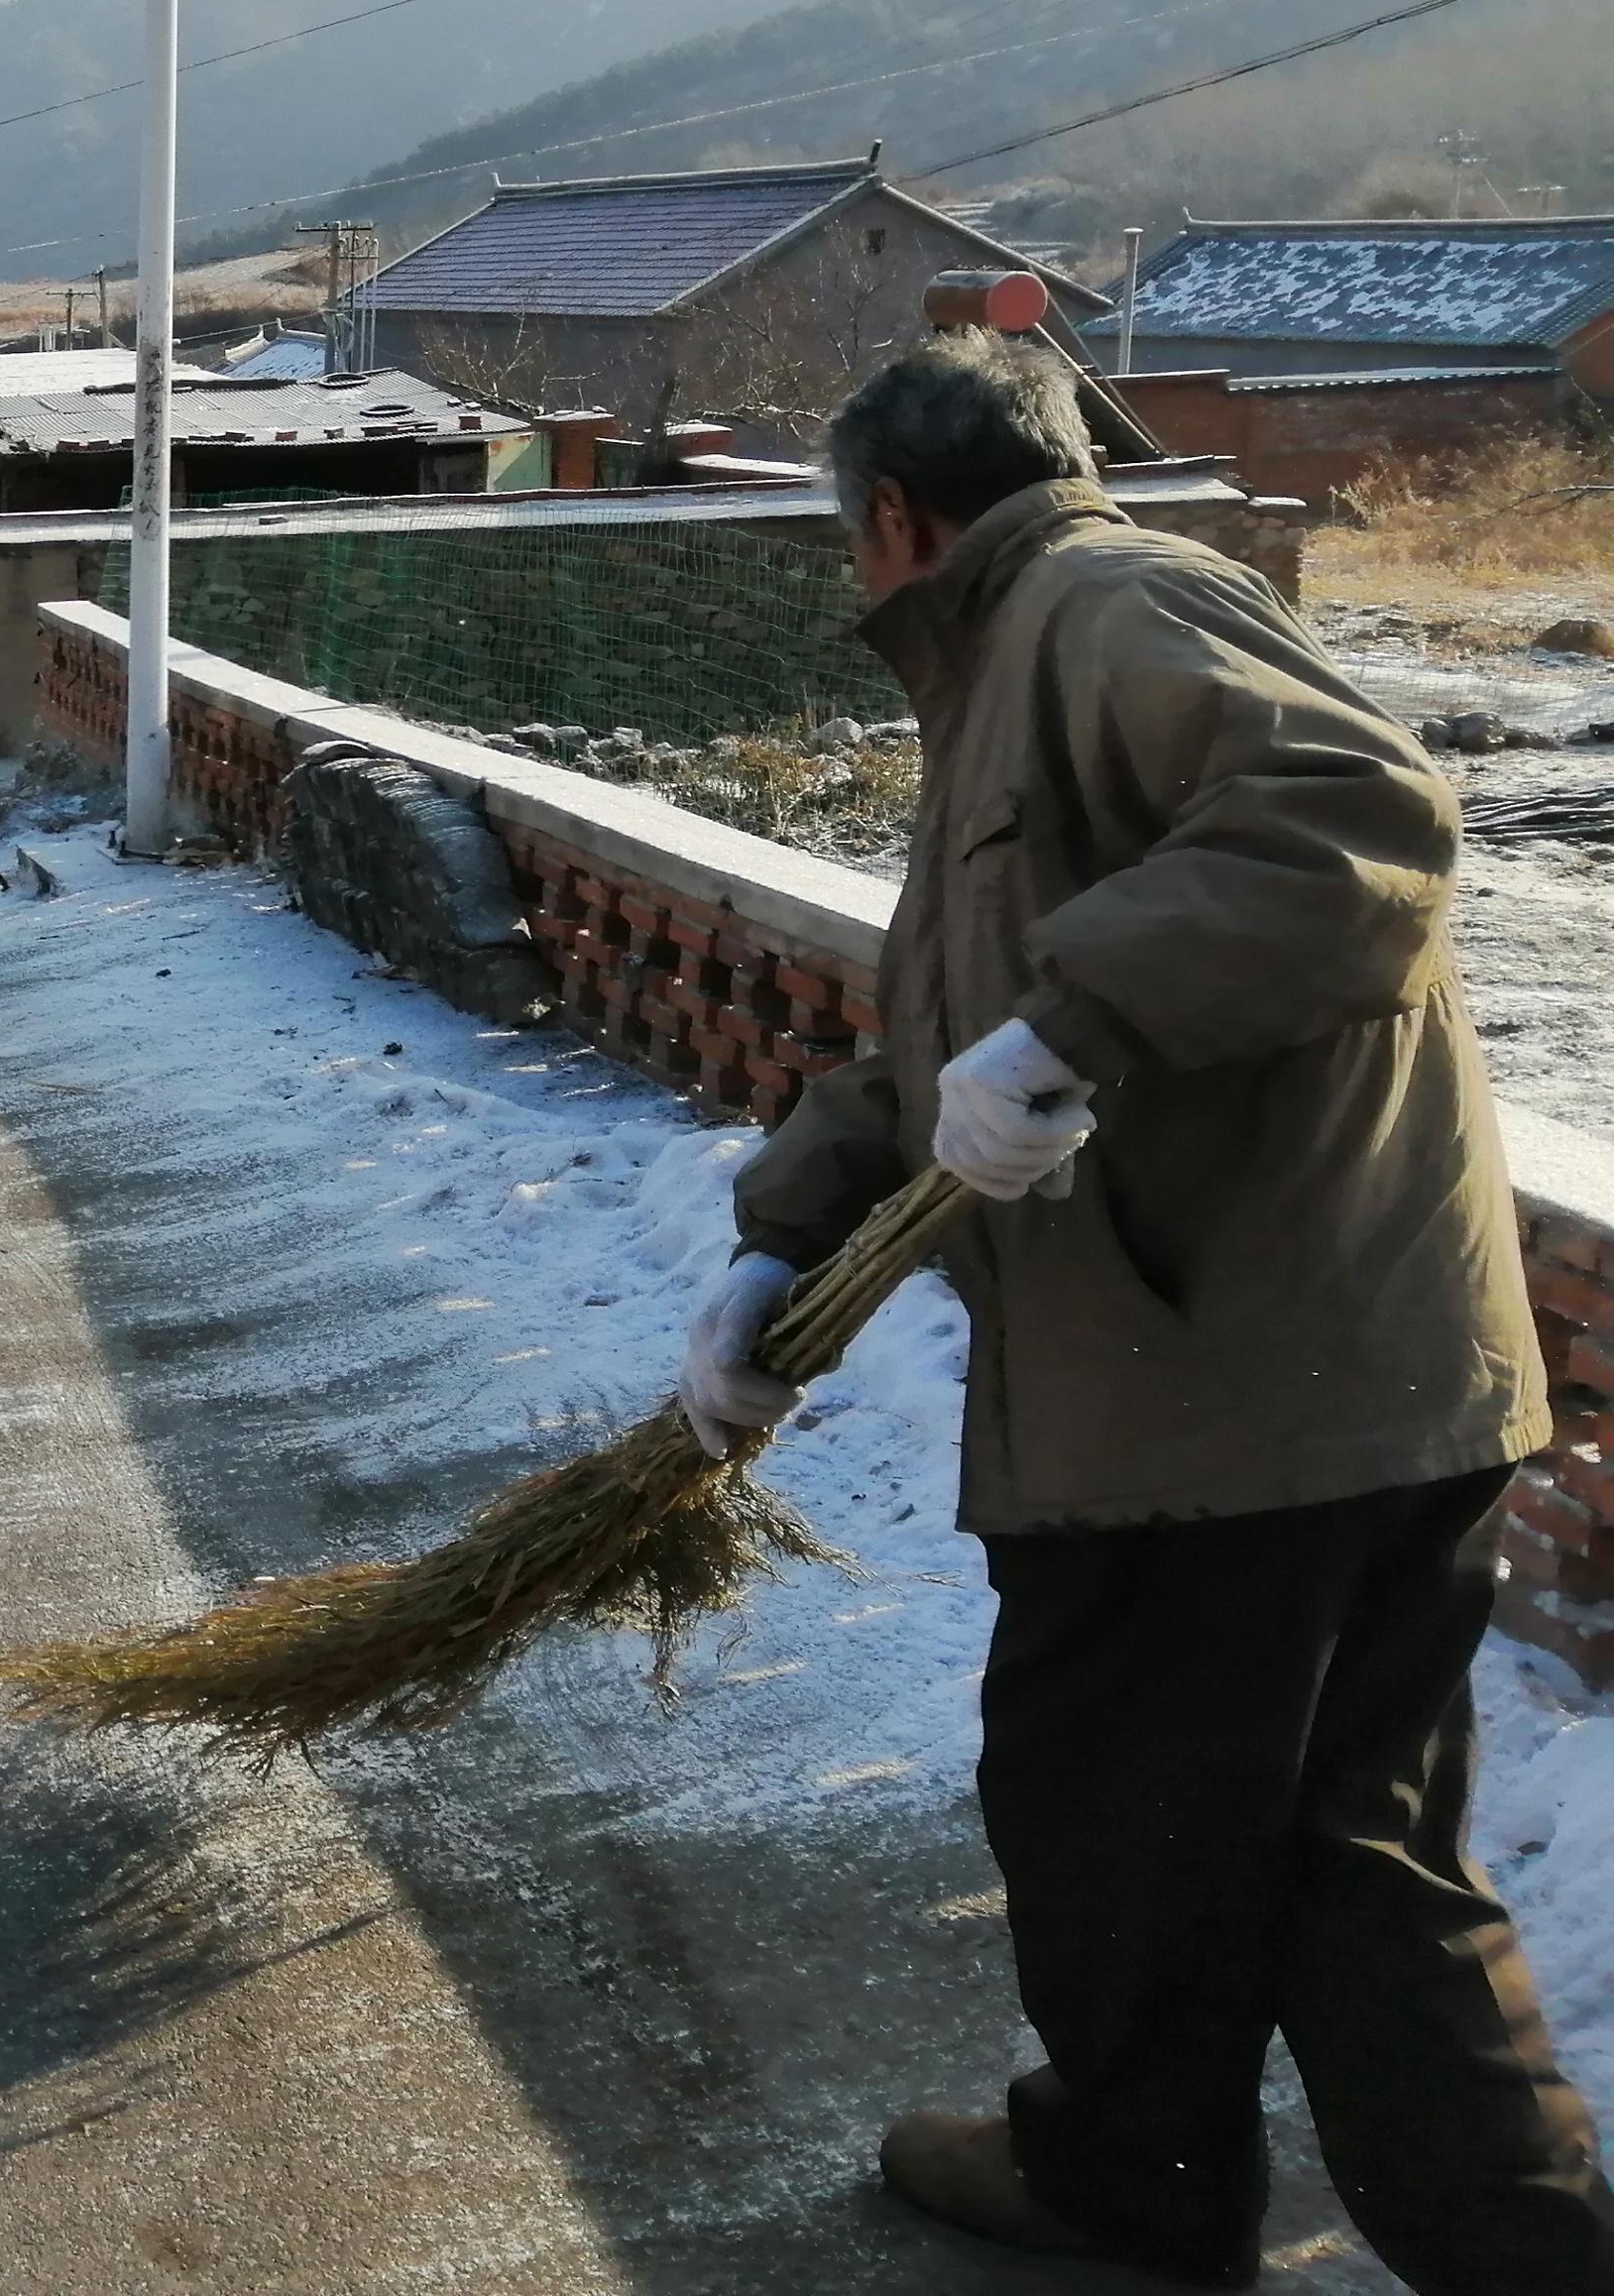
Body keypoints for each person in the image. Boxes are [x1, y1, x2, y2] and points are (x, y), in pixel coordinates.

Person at [681, 333, 1607, 2294]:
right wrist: (782, 1244)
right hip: (1278, 1380)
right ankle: (1143, 2174)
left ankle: (1429, 2242)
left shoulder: (1113, 603)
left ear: (892, 517)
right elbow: (955, 1045)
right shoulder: (1019, 662)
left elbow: (1355, 825)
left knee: (1230, 1845)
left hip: (1229, 1406)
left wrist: (1071, 1022)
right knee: (1242, 1844)